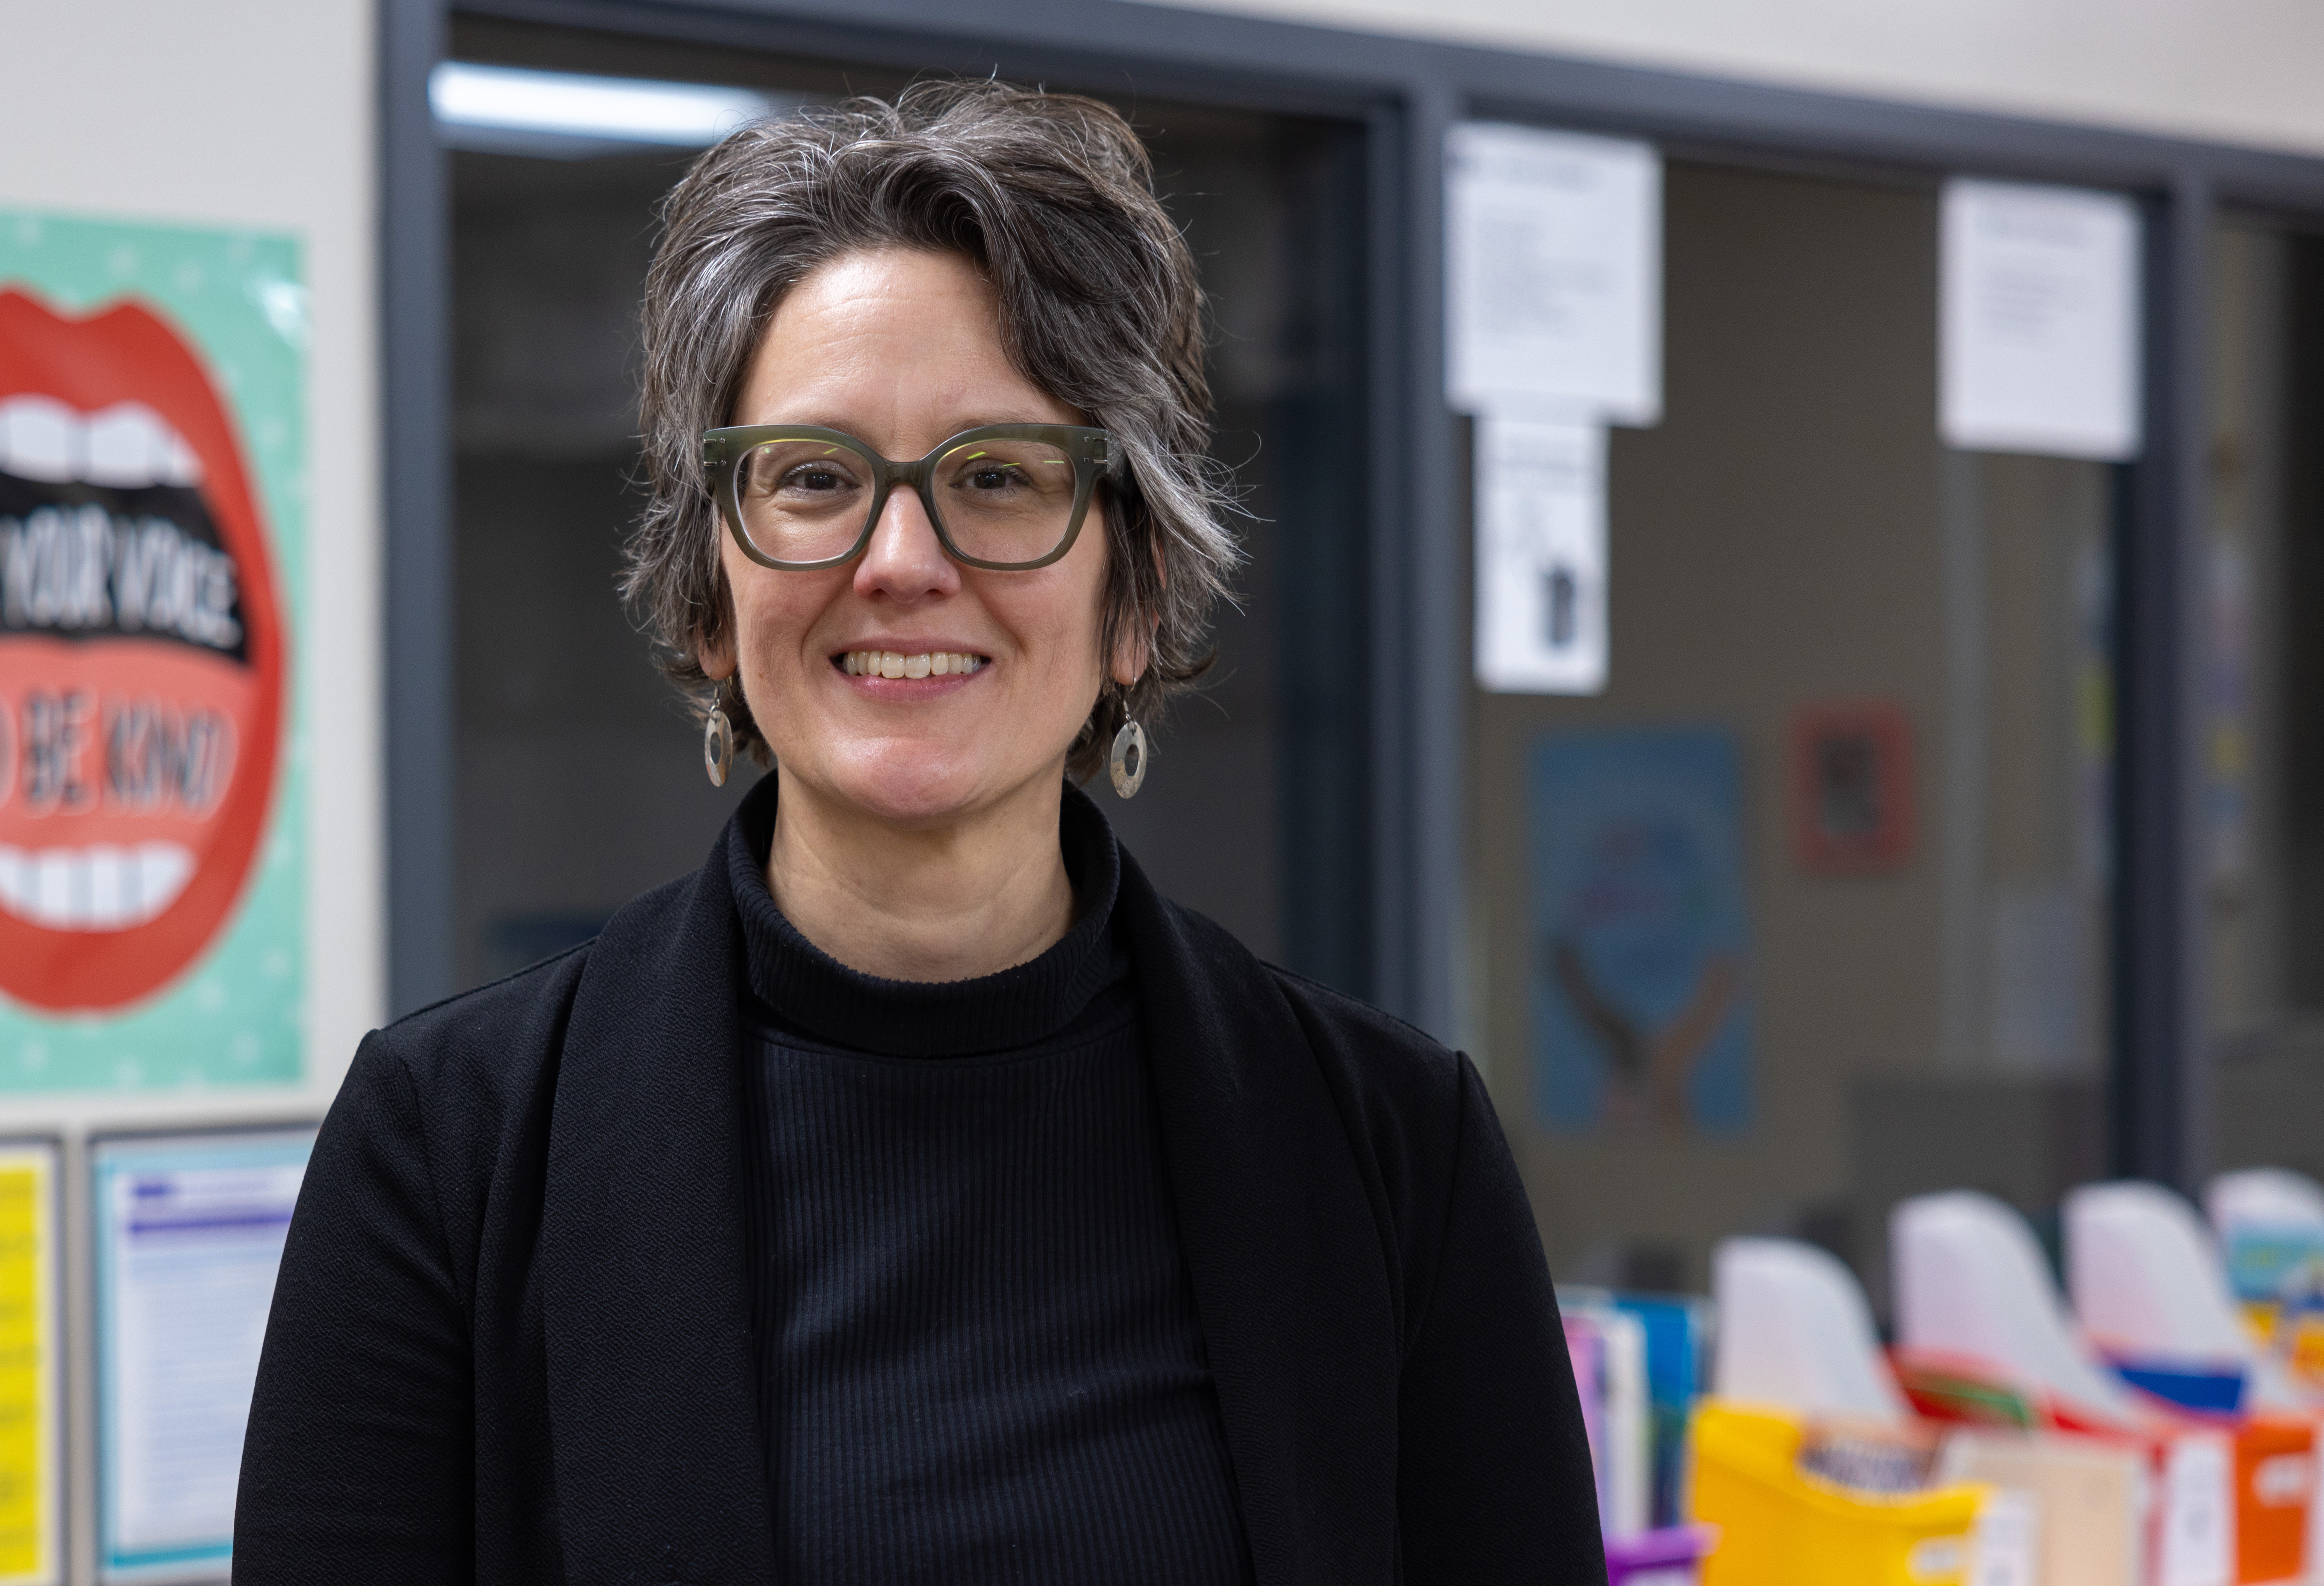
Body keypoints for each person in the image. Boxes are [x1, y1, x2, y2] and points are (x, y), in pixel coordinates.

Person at [234, 81, 1605, 1585]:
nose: (903, 562)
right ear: (710, 591)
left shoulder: (1394, 1152)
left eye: (999, 478)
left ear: (1136, 599)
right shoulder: (451, 1150)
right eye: (815, 477)